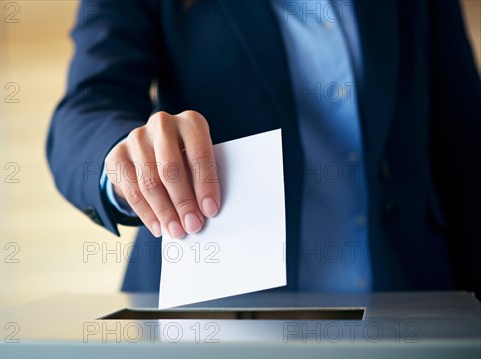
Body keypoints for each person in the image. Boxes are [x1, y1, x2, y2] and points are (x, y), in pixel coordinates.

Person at [47, 0, 481, 295]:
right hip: (215, 317)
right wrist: (124, 162)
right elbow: (87, 107)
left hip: (412, 300)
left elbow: (463, 138)